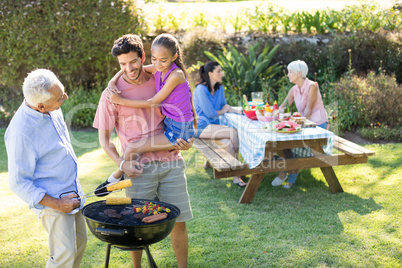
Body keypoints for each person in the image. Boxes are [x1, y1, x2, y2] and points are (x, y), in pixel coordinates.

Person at [93, 34, 193, 268]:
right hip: (139, 169)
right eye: (122, 65)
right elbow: (104, 139)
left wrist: (185, 140)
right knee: (136, 225)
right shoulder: (112, 94)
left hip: (171, 162)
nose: (129, 68)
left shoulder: (160, 75)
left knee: (178, 221)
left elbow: (183, 110)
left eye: (133, 62)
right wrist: (122, 164)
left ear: (143, 57)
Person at [4, 69, 87, 267]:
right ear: (41, 106)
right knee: (63, 256)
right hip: (54, 202)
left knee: (79, 245)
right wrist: (58, 204)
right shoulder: (20, 133)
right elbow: (18, 183)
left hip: (72, 191)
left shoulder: (52, 107)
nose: (65, 98)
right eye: (60, 98)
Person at [100, 33, 196, 186]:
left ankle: (114, 179)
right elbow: (132, 67)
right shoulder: (159, 68)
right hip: (169, 131)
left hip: (178, 134)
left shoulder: (173, 75)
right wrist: (112, 82)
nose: (158, 64)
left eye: (163, 60)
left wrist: (120, 101)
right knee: (132, 149)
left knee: (133, 147)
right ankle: (116, 177)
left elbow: (152, 102)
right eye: (155, 59)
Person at [271, 60, 329, 189]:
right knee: (286, 143)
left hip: (318, 126)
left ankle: (287, 174)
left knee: (293, 145)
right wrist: (271, 114)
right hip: (304, 125)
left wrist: (295, 121)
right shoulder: (294, 89)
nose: (288, 74)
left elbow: (308, 112)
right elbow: (282, 107)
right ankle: (287, 172)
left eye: (290, 72)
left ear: (299, 73)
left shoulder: (312, 86)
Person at [193, 61, 247, 187]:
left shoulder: (220, 88)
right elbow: (210, 113)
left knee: (228, 144)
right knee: (232, 132)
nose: (222, 73)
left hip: (213, 126)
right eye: (219, 71)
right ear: (210, 74)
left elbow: (224, 105)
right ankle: (239, 167)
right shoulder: (201, 89)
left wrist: (235, 111)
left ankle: (236, 177)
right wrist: (224, 110)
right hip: (200, 126)